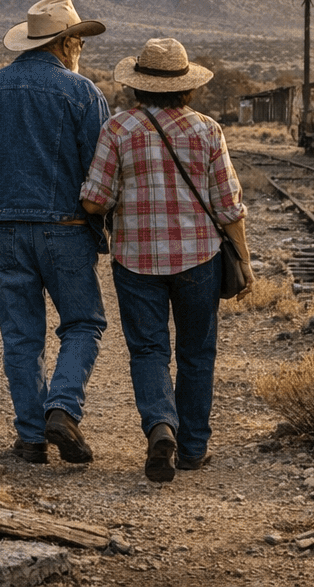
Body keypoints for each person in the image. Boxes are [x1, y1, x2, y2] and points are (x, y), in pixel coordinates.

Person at [0, 0, 111, 465]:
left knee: (21, 336)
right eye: (78, 40)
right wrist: (104, 224)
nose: (80, 47)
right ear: (66, 43)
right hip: (66, 229)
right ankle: (62, 408)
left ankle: (31, 437)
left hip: (3, 232)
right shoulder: (83, 93)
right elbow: (101, 171)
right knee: (83, 323)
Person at [79, 37, 248, 483]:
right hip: (200, 259)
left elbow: (95, 201)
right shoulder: (208, 130)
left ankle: (160, 427)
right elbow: (228, 206)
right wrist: (245, 261)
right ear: (187, 86)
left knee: (148, 350)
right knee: (197, 353)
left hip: (135, 260)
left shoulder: (117, 129)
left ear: (138, 84)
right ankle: (192, 449)